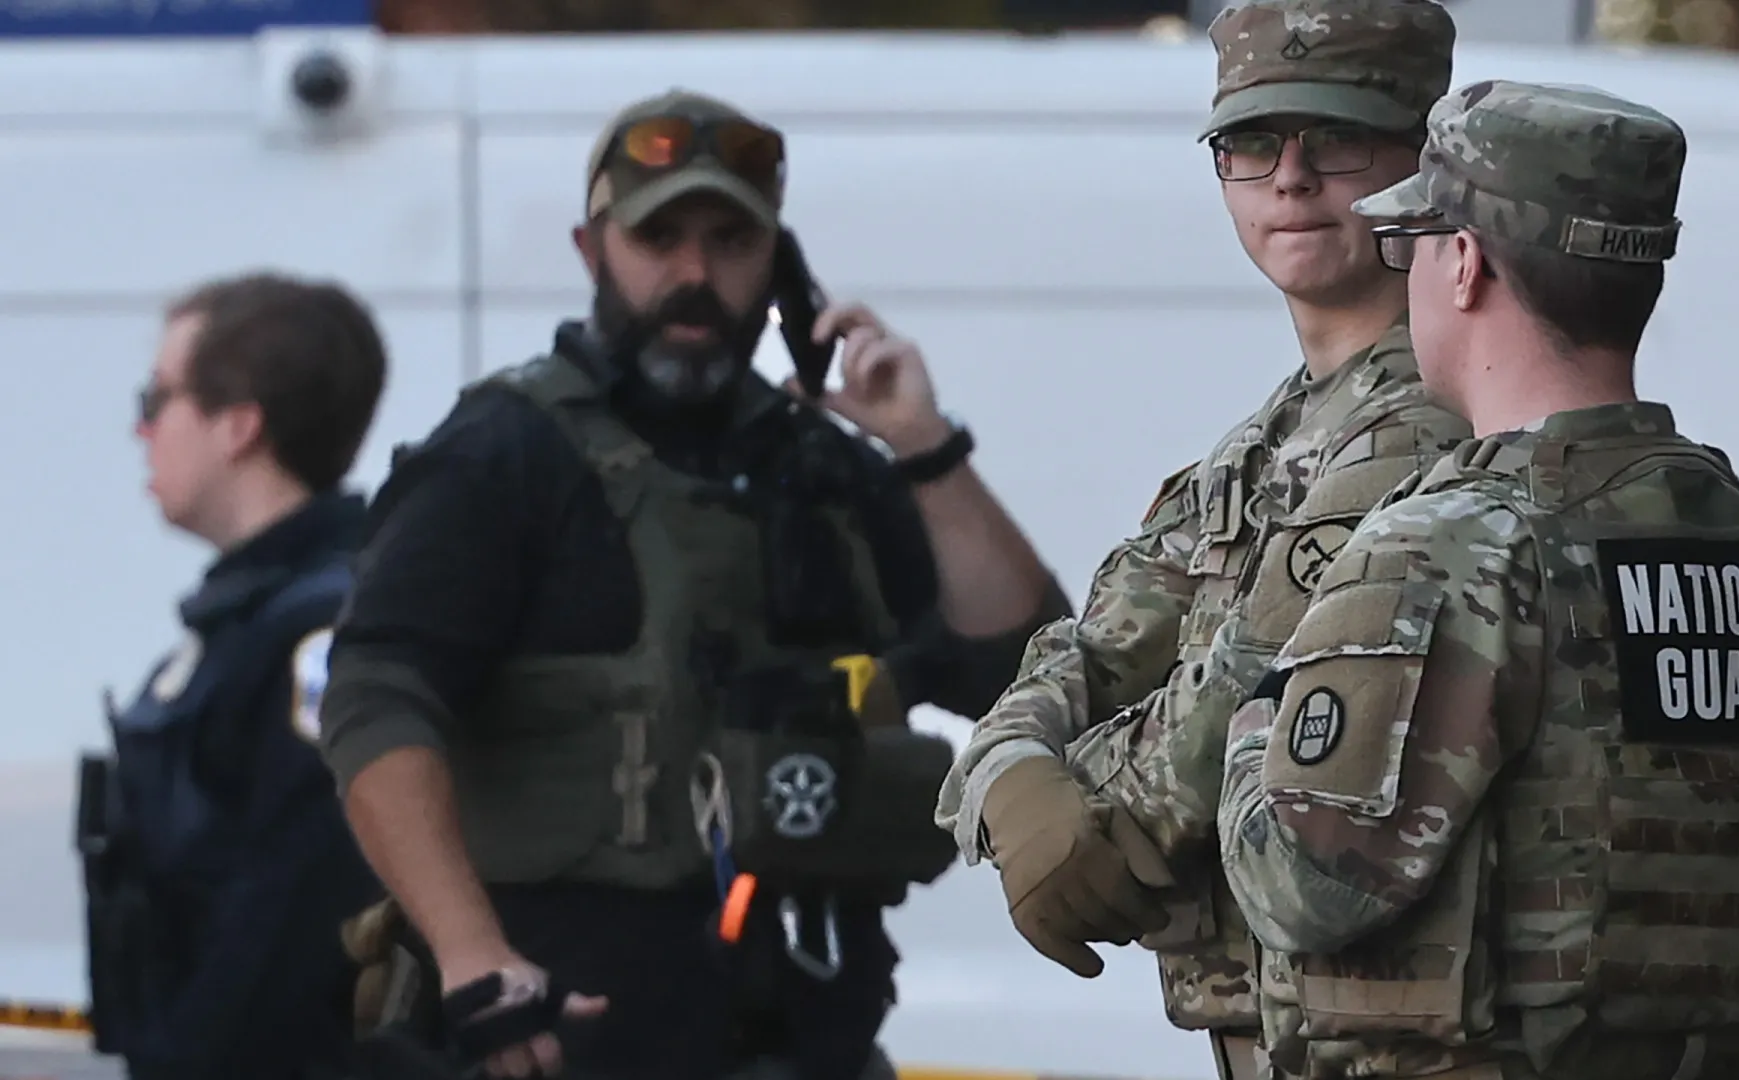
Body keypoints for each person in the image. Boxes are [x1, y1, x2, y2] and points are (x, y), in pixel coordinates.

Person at [314, 88, 1070, 1080]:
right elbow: (374, 701)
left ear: (778, 261)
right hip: (556, 1041)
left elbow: (1025, 672)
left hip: (802, 1041)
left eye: (731, 239)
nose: (695, 274)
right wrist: (470, 957)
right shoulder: (503, 456)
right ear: (593, 253)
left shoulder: (820, 465)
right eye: (659, 236)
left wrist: (926, 451)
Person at [1214, 79, 1739, 1080]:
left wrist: (1256, 711)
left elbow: (1304, 884)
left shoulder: (1448, 547)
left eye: (1414, 246)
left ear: (1466, 264)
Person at [933, 2, 1468, 1077]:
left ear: (1426, 165)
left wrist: (1079, 828)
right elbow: (1076, 654)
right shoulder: (1261, 444)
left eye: (1340, 138)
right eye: (1252, 143)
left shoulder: (1439, 418)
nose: (1292, 178)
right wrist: (1003, 779)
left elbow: (1231, 704)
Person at [76, 272, 390, 1080]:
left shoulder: (320, 632)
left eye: (158, 399)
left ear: (238, 427)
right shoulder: (250, 625)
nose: (140, 429)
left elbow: (290, 915)